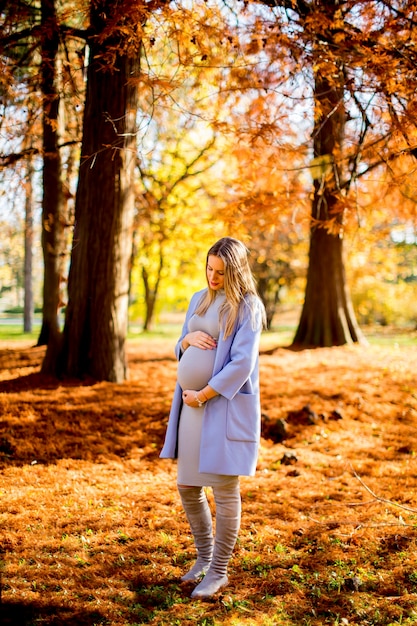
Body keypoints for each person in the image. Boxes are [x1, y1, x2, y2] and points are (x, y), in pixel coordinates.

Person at [160, 236, 266, 599]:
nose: (212, 277)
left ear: (235, 271)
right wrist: (187, 340)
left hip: (220, 407)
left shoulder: (248, 306)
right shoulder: (198, 299)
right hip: (190, 409)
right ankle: (203, 558)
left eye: (220, 272)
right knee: (188, 486)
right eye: (209, 268)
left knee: (223, 488)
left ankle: (219, 571)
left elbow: (242, 364)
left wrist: (204, 394)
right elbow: (179, 346)